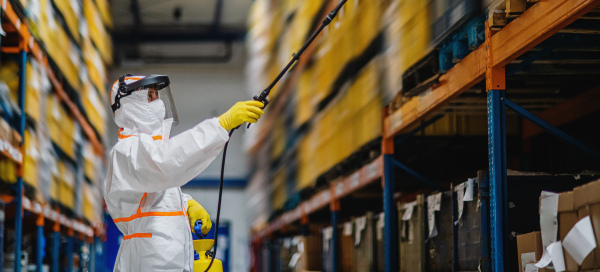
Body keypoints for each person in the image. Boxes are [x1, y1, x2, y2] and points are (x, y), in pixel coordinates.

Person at [104, 74, 264, 271]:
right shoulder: (127, 150)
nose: (158, 103)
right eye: (150, 96)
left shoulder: (145, 150)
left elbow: (153, 195)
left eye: (157, 95)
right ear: (130, 103)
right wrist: (220, 125)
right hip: (148, 262)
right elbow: (166, 163)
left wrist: (186, 204)